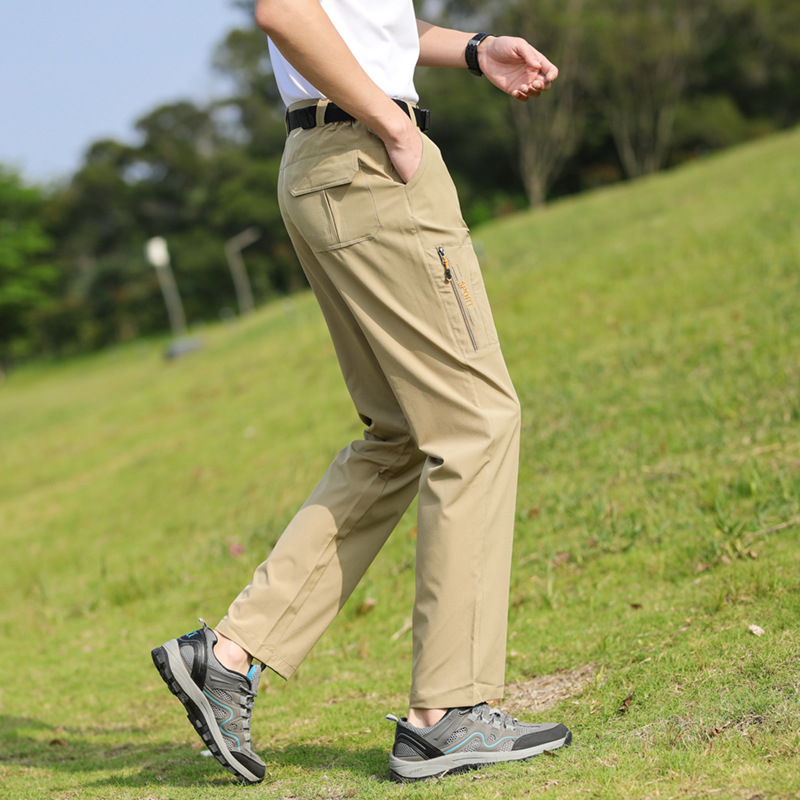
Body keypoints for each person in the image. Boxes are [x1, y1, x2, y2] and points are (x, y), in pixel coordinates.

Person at [151, 0, 571, 785]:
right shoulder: (379, 126)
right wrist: (395, 123)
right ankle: (446, 714)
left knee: (400, 435)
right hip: (370, 155)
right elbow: (283, 9)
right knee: (476, 422)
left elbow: (363, 23)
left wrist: (476, 50)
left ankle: (229, 656)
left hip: (330, 160)